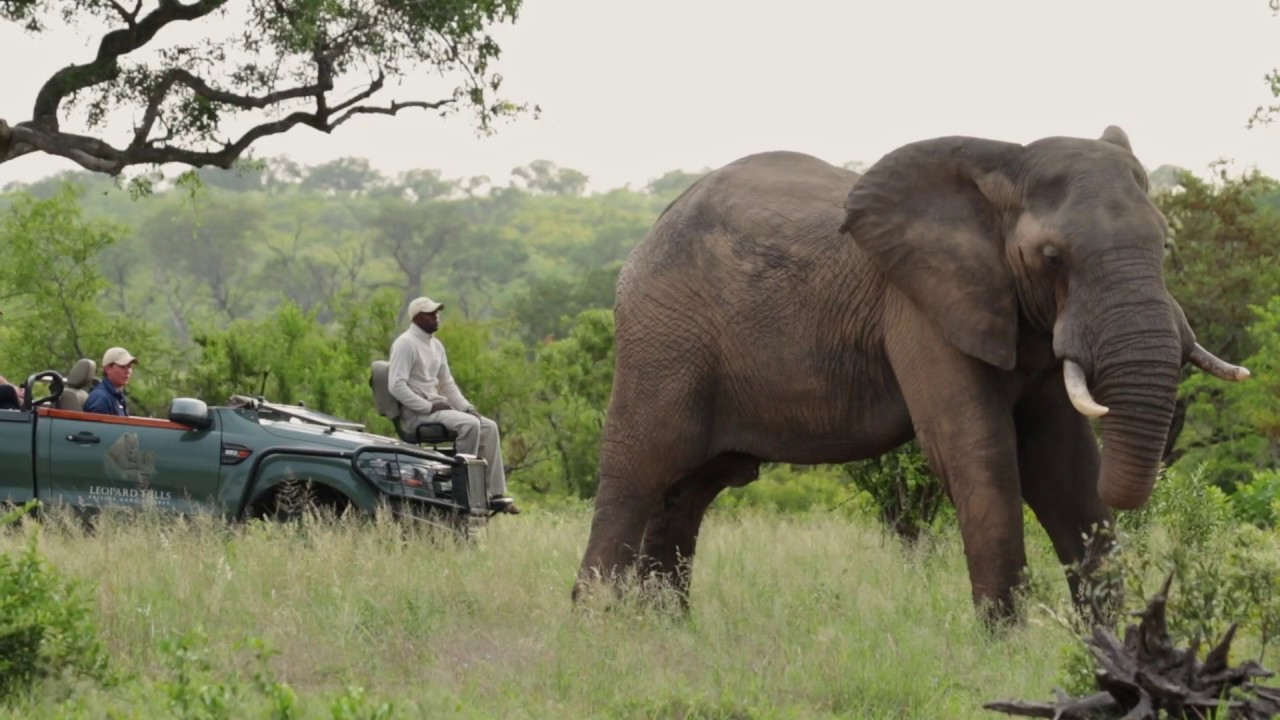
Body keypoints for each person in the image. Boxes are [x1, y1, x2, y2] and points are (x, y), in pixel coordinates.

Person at [388, 297, 519, 514]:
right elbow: (396, 386)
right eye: (430, 314)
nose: (436, 317)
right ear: (417, 317)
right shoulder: (406, 343)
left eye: (436, 313)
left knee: (487, 425)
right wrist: (427, 407)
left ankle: (494, 493)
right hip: (418, 414)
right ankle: (465, 489)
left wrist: (467, 408)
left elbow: (447, 384)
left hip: (438, 409)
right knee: (469, 426)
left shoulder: (436, 345)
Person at [83, 347, 138, 416]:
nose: (127, 371)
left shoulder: (117, 396)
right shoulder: (101, 398)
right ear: (107, 369)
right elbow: (98, 426)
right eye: (122, 366)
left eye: (129, 366)